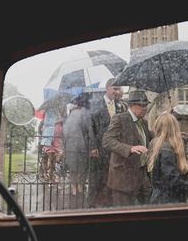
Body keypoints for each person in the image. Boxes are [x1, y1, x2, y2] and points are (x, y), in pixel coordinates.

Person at [102, 90, 153, 206]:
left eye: (146, 105)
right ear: (132, 106)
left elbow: (152, 138)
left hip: (141, 175)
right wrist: (129, 148)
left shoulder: (143, 123)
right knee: (124, 213)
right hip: (122, 178)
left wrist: (170, 134)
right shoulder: (120, 119)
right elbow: (107, 141)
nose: (145, 108)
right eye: (142, 105)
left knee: (147, 209)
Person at [147, 112, 188, 203]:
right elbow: (173, 179)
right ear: (174, 127)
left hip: (158, 198)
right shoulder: (167, 150)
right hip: (169, 201)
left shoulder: (154, 145)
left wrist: (176, 137)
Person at [89, 78, 127, 207]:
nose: (117, 92)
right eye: (115, 89)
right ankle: (94, 206)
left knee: (113, 178)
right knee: (99, 179)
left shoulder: (120, 106)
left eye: (119, 89)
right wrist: (93, 147)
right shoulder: (96, 104)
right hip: (100, 149)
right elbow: (90, 127)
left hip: (115, 149)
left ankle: (110, 204)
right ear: (107, 88)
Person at [63, 93, 96, 197]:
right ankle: (80, 187)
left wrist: (63, 147)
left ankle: (74, 187)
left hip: (69, 145)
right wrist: (93, 147)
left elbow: (65, 132)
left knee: (72, 168)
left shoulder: (71, 114)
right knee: (82, 168)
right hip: (82, 145)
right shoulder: (86, 113)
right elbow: (90, 131)